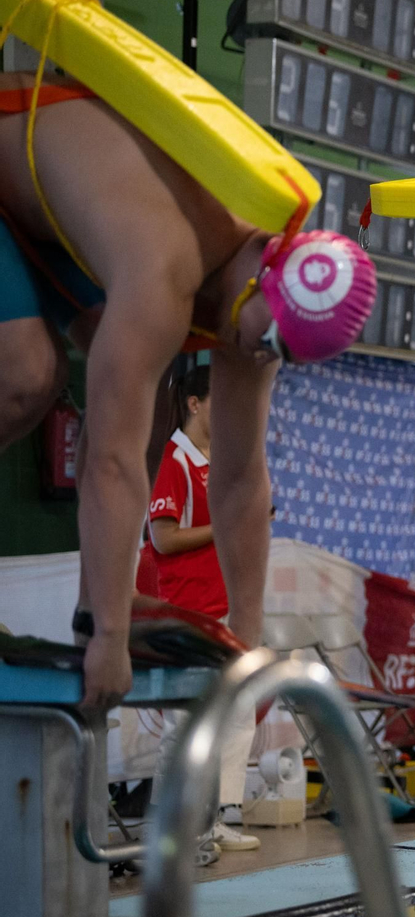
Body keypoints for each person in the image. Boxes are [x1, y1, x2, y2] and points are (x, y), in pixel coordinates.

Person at [0, 71, 377, 711]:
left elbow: (238, 478)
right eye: (268, 344)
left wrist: (247, 641)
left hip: (57, 215)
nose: (260, 357)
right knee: (28, 374)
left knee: (139, 398)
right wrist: (112, 641)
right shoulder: (165, 267)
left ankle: (95, 606)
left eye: (276, 353)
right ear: (265, 272)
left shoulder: (261, 307)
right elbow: (110, 462)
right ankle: (103, 615)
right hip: (13, 159)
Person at [147, 365, 258, 852]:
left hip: (224, 608)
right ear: (194, 403)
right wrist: (230, 525)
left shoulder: (223, 460)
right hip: (188, 610)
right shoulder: (173, 458)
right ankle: (170, 822)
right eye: (222, 401)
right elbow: (163, 538)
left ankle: (220, 814)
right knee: (186, 720)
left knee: (239, 712)